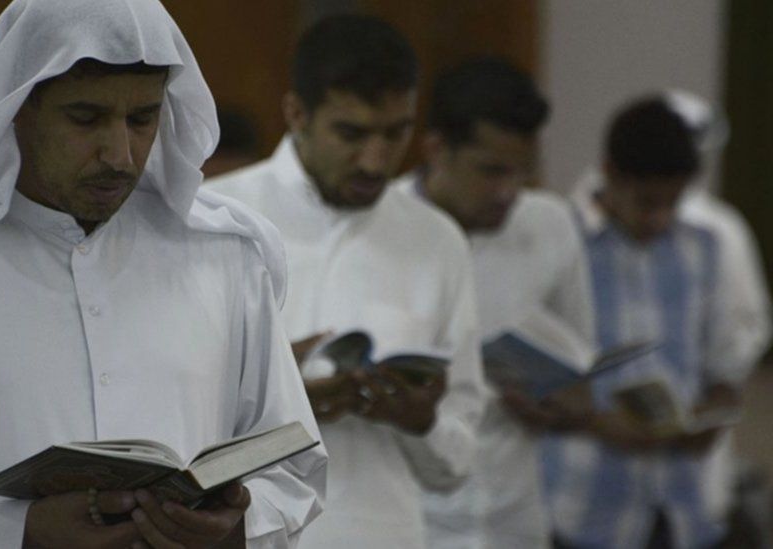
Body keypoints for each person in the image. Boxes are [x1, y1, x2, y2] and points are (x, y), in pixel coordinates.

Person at [0, 1, 327, 548]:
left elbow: (295, 467)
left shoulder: (226, 257)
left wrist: (238, 523)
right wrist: (11, 534)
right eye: (86, 118)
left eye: (142, 119)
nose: (120, 154)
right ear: (19, 108)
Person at [208, 15, 484, 549]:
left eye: (396, 132)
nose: (376, 160)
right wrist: (280, 401)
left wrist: (421, 421)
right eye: (352, 133)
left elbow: (456, 464)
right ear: (297, 114)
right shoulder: (218, 218)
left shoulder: (436, 240)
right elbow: (164, 425)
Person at [393, 57, 595, 548]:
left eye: (523, 172)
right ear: (437, 148)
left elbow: (582, 375)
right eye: (491, 171)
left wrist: (559, 406)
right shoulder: (382, 230)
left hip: (514, 517)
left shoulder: (550, 224)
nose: (509, 192)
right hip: (411, 519)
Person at [542, 96, 747, 548]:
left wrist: (710, 416)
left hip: (678, 503)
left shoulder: (702, 249)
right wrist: (599, 422)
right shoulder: (560, 243)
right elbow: (528, 380)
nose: (658, 218)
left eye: (673, 203)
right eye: (646, 202)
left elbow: (725, 365)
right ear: (610, 174)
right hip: (584, 500)